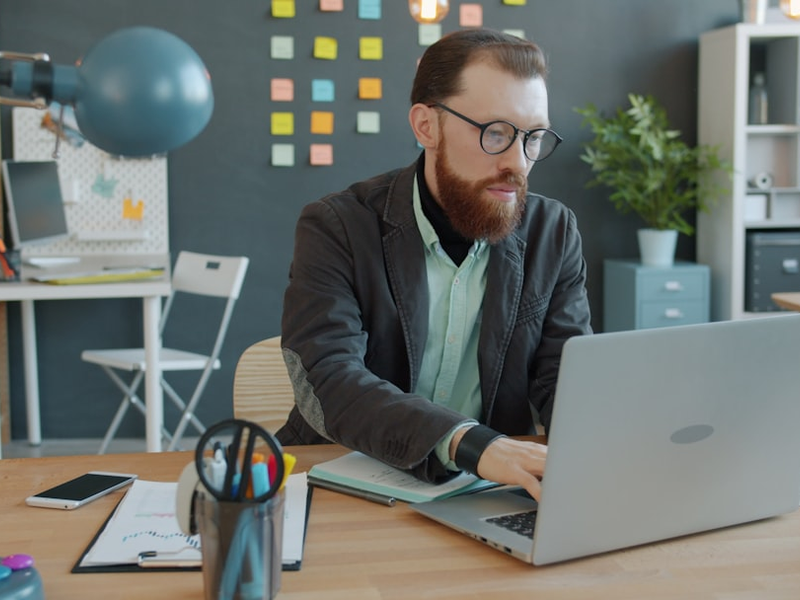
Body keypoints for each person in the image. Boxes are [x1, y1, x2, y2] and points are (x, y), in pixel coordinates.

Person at [276, 28, 592, 500]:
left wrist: (614, 434)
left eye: (533, 137)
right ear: (427, 126)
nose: (519, 162)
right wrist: (470, 443)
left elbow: (564, 377)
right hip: (342, 483)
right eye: (496, 133)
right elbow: (330, 381)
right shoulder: (337, 226)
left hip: (484, 491)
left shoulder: (554, 231)